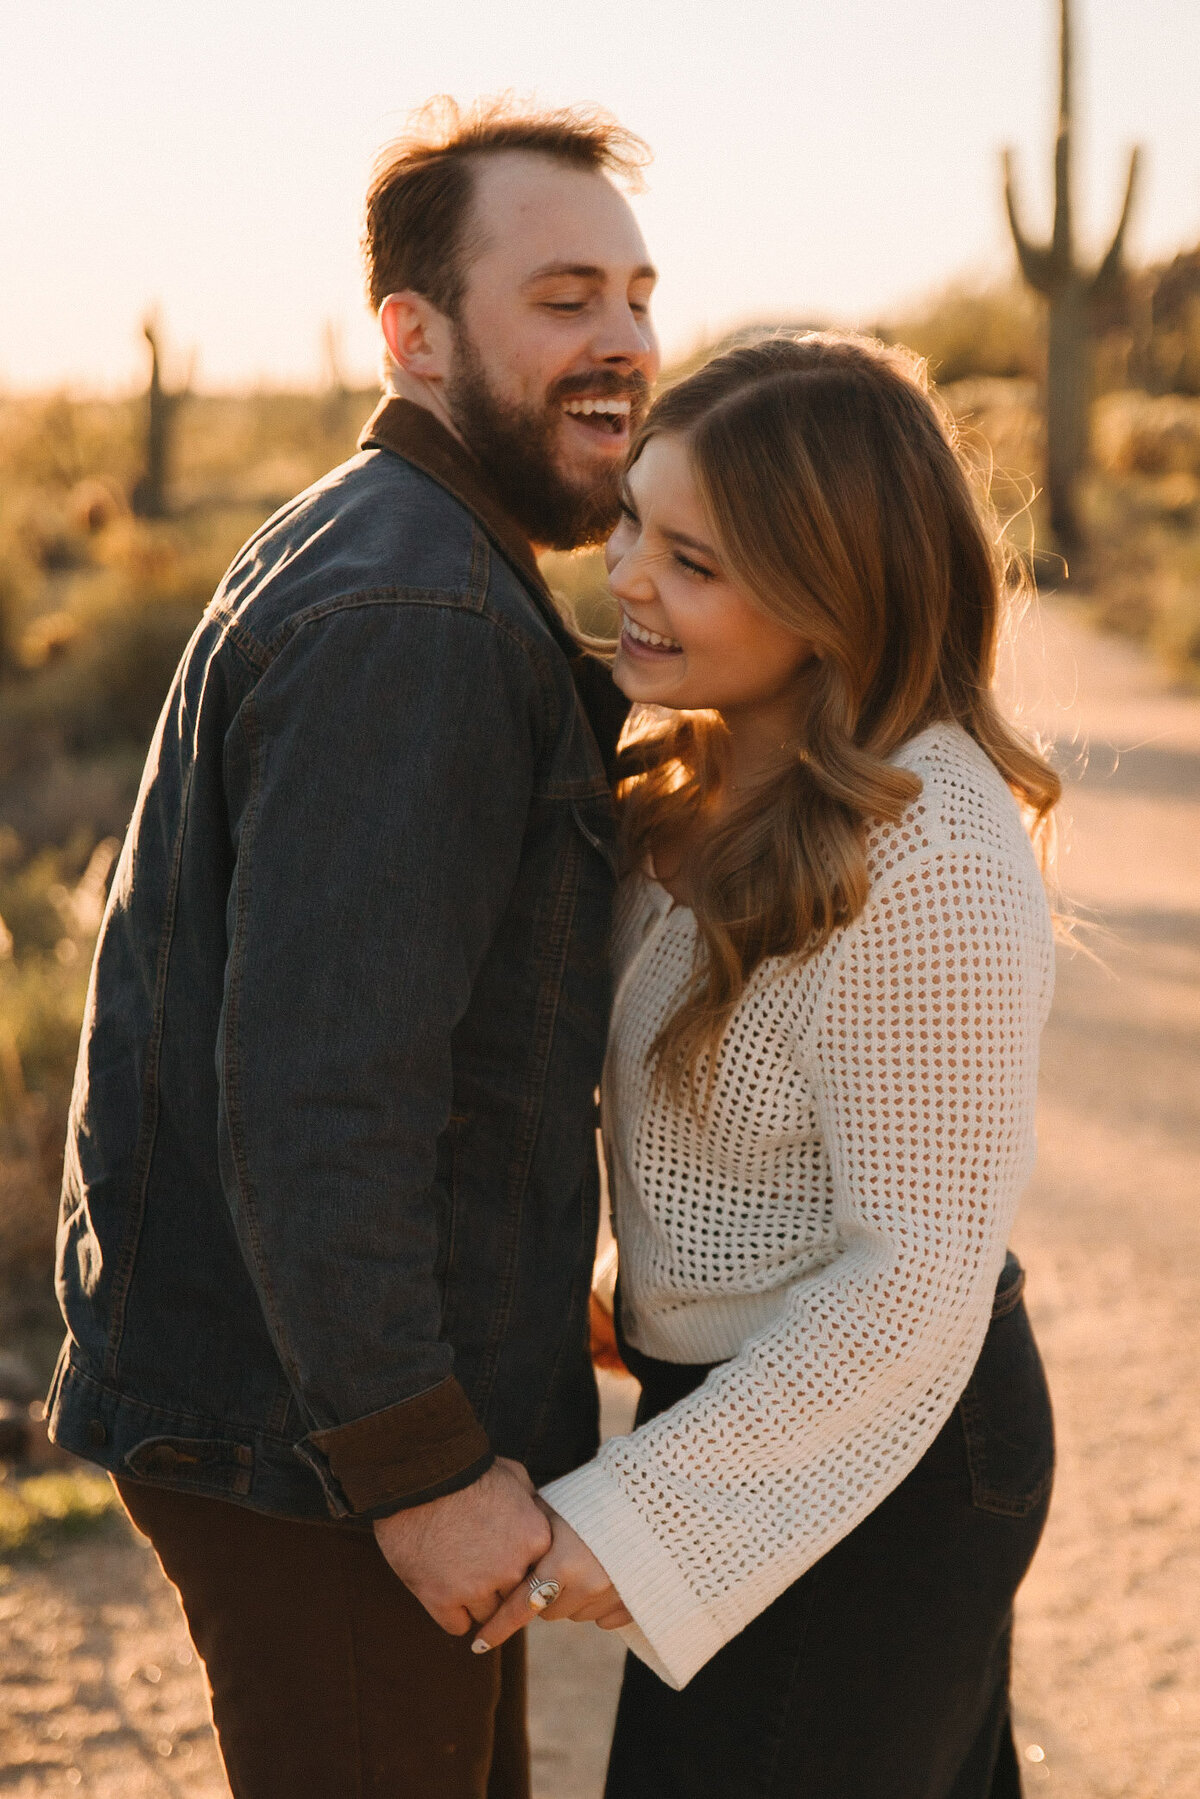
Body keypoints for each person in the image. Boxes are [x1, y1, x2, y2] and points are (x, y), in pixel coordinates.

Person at [46, 99, 659, 1799]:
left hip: (318, 1415)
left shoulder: (403, 542)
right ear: (416, 330)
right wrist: (419, 1467)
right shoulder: (416, 611)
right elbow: (326, 1095)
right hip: (324, 1454)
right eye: (560, 299)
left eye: (634, 293)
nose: (621, 341)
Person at [474, 333, 1061, 1799]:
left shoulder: (929, 848)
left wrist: (637, 1520)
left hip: (896, 1447)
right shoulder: (692, 766)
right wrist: (652, 1289)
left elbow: (915, 1275)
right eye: (631, 526)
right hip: (739, 1392)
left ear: (833, 591)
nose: (627, 579)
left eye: (695, 560)